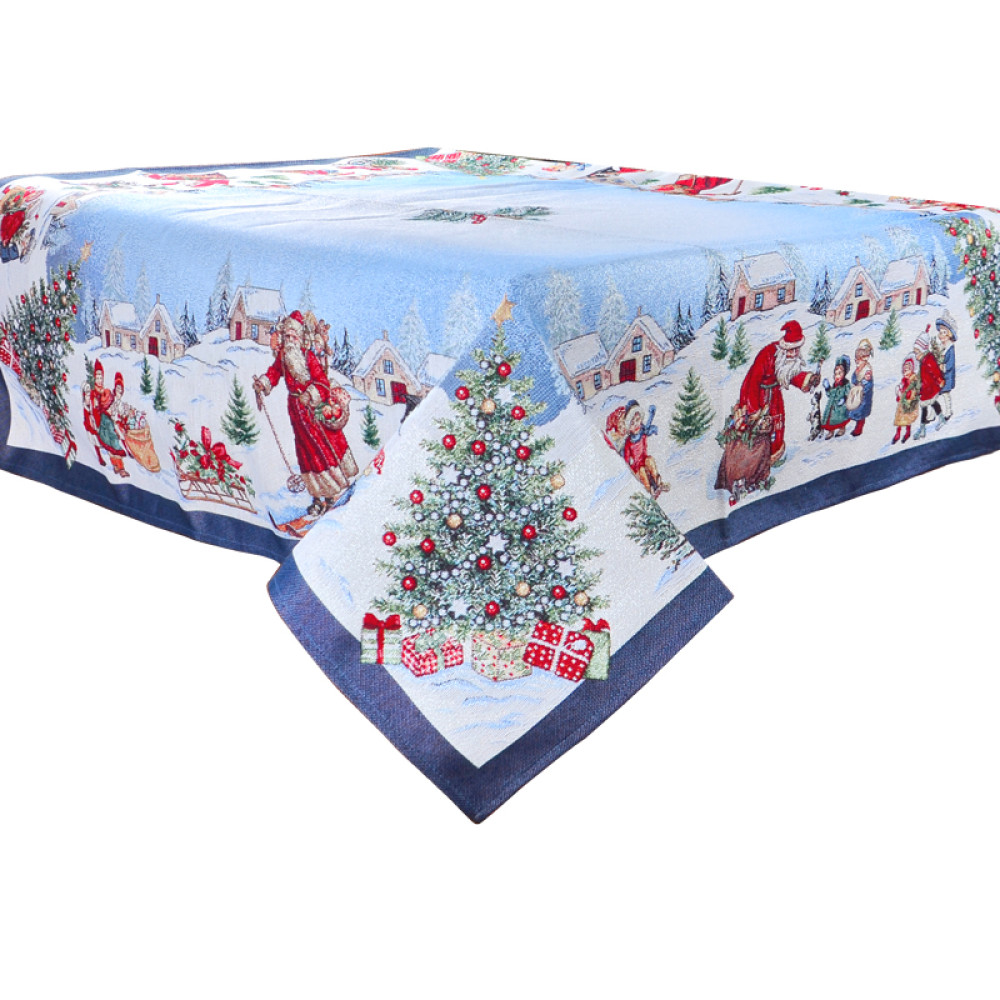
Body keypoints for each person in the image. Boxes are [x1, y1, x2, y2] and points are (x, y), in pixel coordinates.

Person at [253, 310, 359, 516]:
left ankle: (331, 494)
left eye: (293, 336)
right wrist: (263, 384)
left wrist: (310, 395)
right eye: (287, 336)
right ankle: (317, 497)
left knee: (321, 449)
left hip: (314, 410)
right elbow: (273, 373)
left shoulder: (309, 357)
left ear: (300, 337)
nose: (290, 340)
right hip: (296, 411)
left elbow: (322, 382)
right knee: (305, 453)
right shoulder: (283, 357)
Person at [738, 319, 821, 465]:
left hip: (775, 396)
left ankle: (773, 456)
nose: (794, 354)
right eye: (791, 350)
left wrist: (809, 379)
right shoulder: (767, 354)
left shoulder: (789, 358)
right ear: (784, 347)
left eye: (797, 350)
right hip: (758, 396)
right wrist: (754, 410)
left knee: (777, 425)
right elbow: (752, 382)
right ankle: (756, 461)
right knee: (758, 430)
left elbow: (790, 374)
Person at [89, 361, 129, 477]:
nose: (99, 380)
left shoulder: (106, 392)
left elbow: (113, 405)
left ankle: (119, 466)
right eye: (97, 378)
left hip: (109, 420)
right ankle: (118, 466)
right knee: (110, 440)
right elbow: (93, 409)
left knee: (113, 440)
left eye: (101, 377)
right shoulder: (93, 393)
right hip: (101, 422)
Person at [620, 400, 666, 497]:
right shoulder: (629, 442)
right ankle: (650, 490)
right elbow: (627, 461)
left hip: (644, 460)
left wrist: (651, 417)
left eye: (637, 420)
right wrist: (632, 470)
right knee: (642, 470)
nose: (636, 424)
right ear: (629, 427)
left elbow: (648, 430)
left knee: (650, 460)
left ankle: (657, 481)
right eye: (632, 423)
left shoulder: (642, 434)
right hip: (637, 467)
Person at [913, 329, 944, 440]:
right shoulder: (923, 360)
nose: (915, 355)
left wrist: (940, 380)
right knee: (932, 404)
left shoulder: (928, 360)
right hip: (926, 388)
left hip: (930, 388)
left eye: (917, 352)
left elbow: (935, 371)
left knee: (925, 407)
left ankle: (922, 429)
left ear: (923, 350)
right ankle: (941, 418)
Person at [846, 338, 875, 437]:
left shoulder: (867, 371)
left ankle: (859, 428)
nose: (857, 361)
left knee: (861, 413)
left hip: (863, 396)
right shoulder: (858, 369)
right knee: (853, 408)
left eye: (859, 359)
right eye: (856, 358)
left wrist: (863, 386)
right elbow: (854, 379)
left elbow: (868, 384)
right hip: (857, 393)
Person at [820, 355, 852, 439]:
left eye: (840, 373)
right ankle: (831, 431)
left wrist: (844, 399)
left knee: (841, 419)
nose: (837, 376)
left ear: (844, 373)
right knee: (830, 420)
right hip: (832, 406)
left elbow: (849, 394)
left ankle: (842, 429)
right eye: (835, 373)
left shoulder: (846, 384)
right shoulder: (835, 385)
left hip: (841, 408)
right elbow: (830, 395)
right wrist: (827, 387)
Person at [934, 313, 958, 423]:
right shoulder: (941, 347)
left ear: (949, 334)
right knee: (935, 394)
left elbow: (950, 363)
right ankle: (932, 414)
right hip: (939, 376)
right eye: (940, 332)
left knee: (945, 394)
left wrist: (943, 367)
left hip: (947, 376)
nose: (941, 335)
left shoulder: (949, 348)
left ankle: (948, 411)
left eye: (944, 332)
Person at [892, 355, 920, 445]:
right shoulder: (904, 380)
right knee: (899, 419)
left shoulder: (913, 379)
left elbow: (914, 390)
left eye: (907, 369)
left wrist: (908, 396)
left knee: (908, 419)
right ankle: (898, 434)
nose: (905, 371)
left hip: (910, 402)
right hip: (902, 402)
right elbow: (901, 388)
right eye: (904, 369)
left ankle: (907, 433)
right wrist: (899, 392)